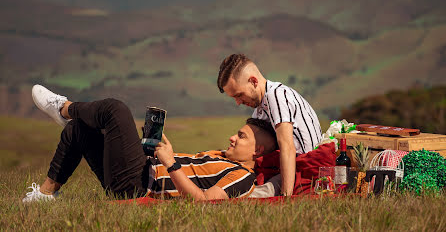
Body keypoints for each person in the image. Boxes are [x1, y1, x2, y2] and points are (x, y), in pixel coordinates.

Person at [22, 85, 278, 203]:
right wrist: (156, 149)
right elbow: (187, 175)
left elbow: (205, 201)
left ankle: (64, 108)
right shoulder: (219, 155)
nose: (233, 137)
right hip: (142, 169)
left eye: (242, 136)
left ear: (257, 151)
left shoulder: (241, 177)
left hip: (139, 185)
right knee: (79, 129)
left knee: (115, 110)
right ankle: (45, 194)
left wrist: (170, 162)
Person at [217, 54, 323, 196]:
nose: (238, 102)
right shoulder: (260, 108)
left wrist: (286, 197)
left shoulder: (277, 96)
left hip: (303, 168)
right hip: (283, 167)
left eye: (239, 95)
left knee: (249, 195)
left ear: (253, 81)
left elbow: (287, 147)